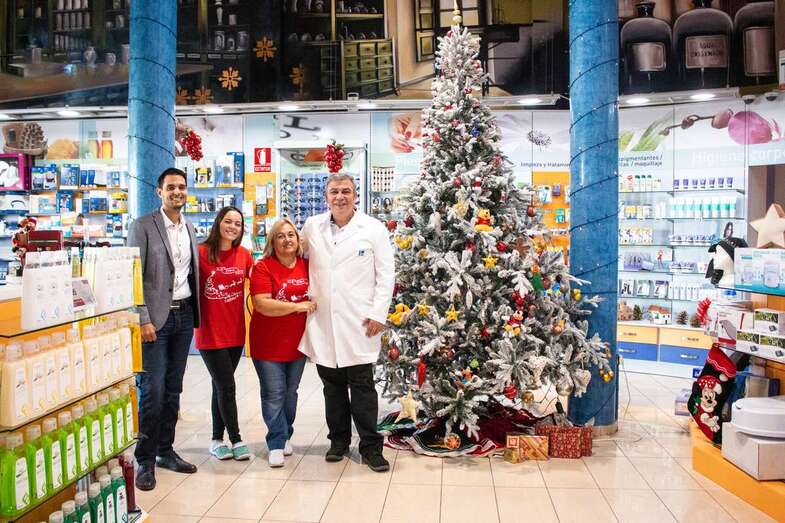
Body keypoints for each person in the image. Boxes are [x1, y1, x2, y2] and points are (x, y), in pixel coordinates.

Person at [299, 174, 395, 472]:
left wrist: (379, 313)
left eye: (346, 191)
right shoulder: (312, 226)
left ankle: (370, 447)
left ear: (355, 196)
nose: (340, 197)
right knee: (332, 387)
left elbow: (386, 274)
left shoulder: (373, 228)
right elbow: (292, 255)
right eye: (334, 192)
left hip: (360, 321)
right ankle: (338, 442)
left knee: (363, 386)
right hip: (324, 321)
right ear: (326, 197)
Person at [127, 167, 201, 491]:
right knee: (152, 391)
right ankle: (144, 460)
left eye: (181, 187)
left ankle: (165, 451)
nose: (177, 192)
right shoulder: (143, 226)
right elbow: (133, 275)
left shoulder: (190, 227)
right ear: (160, 192)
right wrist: (142, 318)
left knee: (173, 389)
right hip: (154, 321)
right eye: (171, 187)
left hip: (183, 318)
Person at [249, 218, 315, 467]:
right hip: (268, 344)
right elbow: (262, 304)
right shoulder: (263, 267)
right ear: (272, 242)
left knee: (290, 392)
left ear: (298, 240)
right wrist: (297, 306)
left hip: (298, 343)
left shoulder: (307, 266)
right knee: (274, 393)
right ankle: (276, 442)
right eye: (280, 236)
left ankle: (286, 433)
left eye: (291, 235)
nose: (287, 240)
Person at [194, 206, 253, 461]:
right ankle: (236, 438)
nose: (232, 227)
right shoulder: (200, 252)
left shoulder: (244, 255)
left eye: (238, 224)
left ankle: (216, 440)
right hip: (209, 332)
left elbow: (259, 281)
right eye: (228, 221)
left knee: (220, 385)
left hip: (235, 332)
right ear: (218, 222)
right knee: (227, 386)